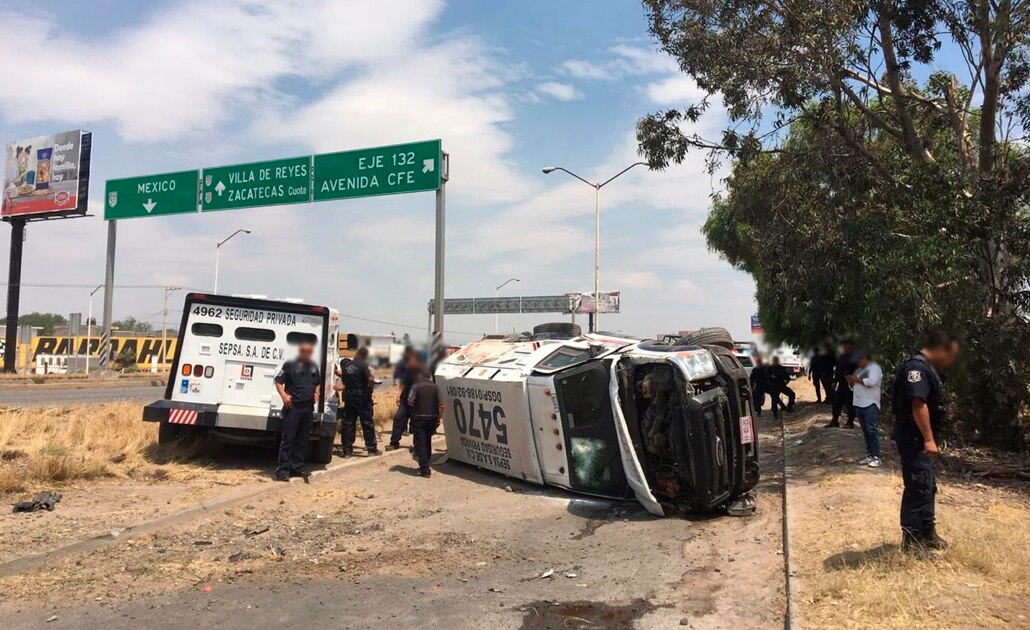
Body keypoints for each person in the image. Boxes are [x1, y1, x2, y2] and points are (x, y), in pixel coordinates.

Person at [892, 329, 960, 556]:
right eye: (950, 356)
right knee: (917, 485)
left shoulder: (928, 368)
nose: (950, 362)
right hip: (915, 438)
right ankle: (911, 541)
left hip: (922, 439)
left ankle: (928, 531)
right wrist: (929, 439)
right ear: (940, 349)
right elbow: (918, 404)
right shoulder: (916, 369)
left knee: (928, 484)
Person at [273, 341, 321, 481]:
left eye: (309, 351)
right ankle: (282, 472)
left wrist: (316, 392)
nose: (307, 354)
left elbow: (317, 382)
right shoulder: (290, 365)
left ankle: (296, 468)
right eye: (304, 351)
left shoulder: (313, 366)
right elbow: (278, 382)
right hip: (293, 408)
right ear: (300, 352)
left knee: (302, 440)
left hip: (307, 409)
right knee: (288, 440)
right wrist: (284, 396)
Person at [847, 350, 883, 467]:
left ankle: (876, 456)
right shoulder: (859, 370)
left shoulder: (875, 368)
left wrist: (855, 379)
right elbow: (853, 386)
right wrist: (851, 382)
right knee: (866, 431)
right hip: (859, 403)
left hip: (870, 404)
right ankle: (870, 455)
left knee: (871, 430)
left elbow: (871, 382)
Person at [341, 347, 380, 457]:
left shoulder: (346, 366)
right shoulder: (363, 365)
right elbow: (371, 379)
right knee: (367, 422)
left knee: (349, 423)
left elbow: (344, 379)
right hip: (361, 398)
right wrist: (370, 390)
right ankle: (371, 449)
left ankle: (347, 451)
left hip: (349, 397)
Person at [406, 369, 443, 477]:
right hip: (432, 417)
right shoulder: (436, 387)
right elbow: (441, 406)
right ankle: (427, 462)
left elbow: (410, 400)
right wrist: (439, 418)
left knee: (421, 443)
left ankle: (425, 469)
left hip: (419, 417)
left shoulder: (416, 386)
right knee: (428, 441)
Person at [386, 347, 420, 451]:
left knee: (416, 424)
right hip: (405, 400)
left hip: (416, 402)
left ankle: (417, 447)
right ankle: (394, 443)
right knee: (398, 419)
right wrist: (399, 394)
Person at [827, 339, 857, 428]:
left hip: (851, 383)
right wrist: (834, 381)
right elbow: (838, 370)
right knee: (837, 402)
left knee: (850, 403)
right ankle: (835, 420)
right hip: (841, 383)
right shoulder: (841, 357)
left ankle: (850, 422)